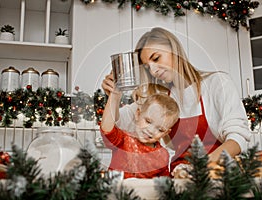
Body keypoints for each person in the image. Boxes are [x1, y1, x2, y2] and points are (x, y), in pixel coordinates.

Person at [101, 27, 251, 173]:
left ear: (174, 50)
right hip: (180, 176)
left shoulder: (217, 83)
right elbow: (118, 124)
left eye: (156, 58)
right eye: (147, 67)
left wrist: (201, 169)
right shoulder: (160, 97)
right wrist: (114, 96)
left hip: (219, 173)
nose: (154, 71)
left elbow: (237, 138)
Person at [100, 88, 180, 179]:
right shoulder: (124, 139)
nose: (151, 130)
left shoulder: (163, 155)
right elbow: (107, 130)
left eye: (160, 130)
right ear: (138, 114)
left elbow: (163, 184)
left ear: (166, 133)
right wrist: (114, 96)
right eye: (148, 121)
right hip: (117, 191)